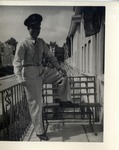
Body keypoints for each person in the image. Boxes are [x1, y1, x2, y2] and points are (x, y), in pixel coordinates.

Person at [13, 13, 72, 141]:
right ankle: (40, 132)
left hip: (42, 70)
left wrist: (59, 68)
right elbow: (17, 62)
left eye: (38, 28)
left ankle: (63, 99)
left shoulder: (41, 42)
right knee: (36, 104)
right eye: (33, 28)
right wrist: (19, 78)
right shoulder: (23, 44)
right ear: (28, 29)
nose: (36, 31)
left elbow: (50, 57)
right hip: (30, 74)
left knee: (62, 76)